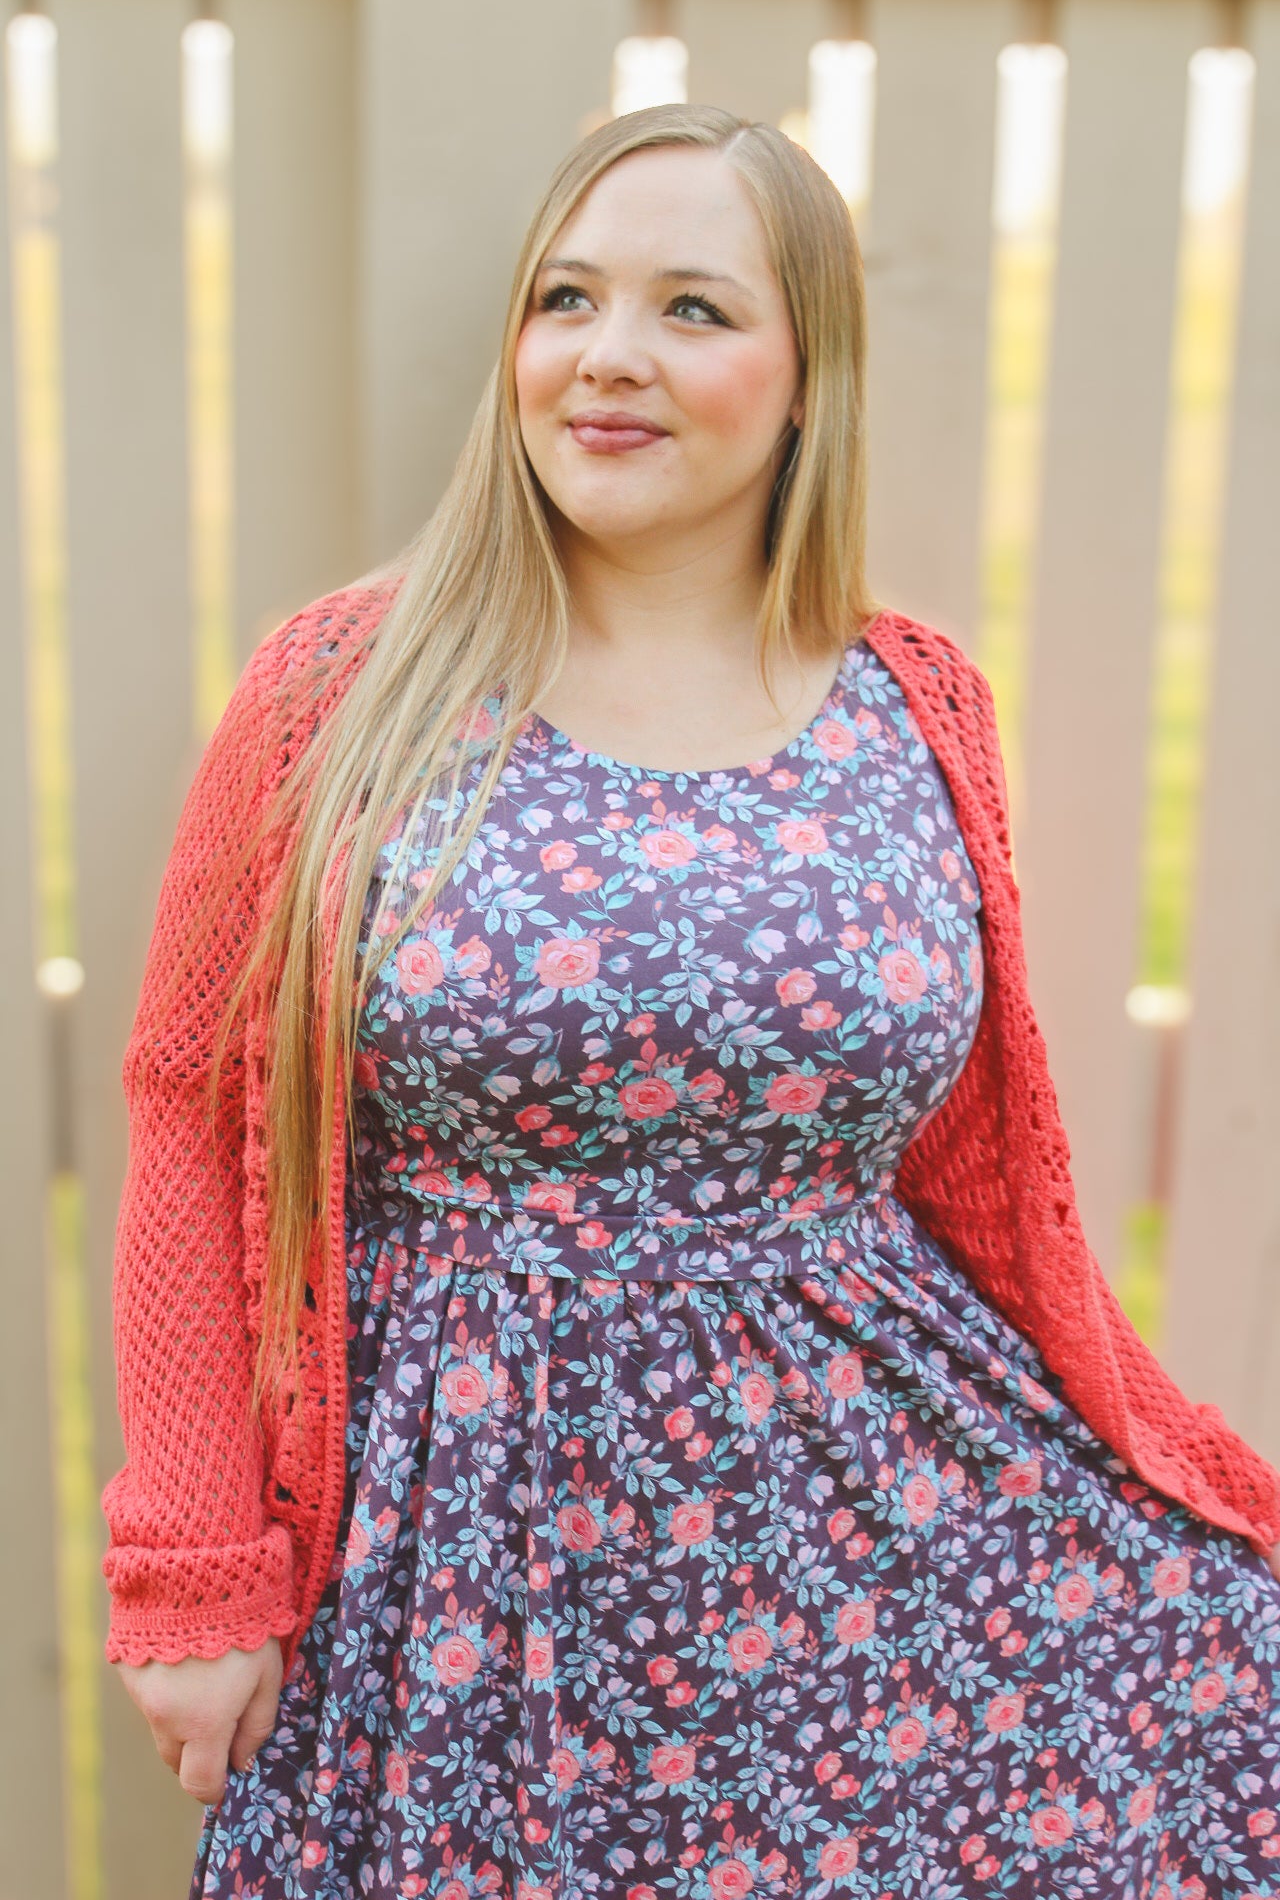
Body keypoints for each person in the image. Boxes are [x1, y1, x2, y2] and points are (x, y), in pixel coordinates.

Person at [104, 103, 1280, 1900]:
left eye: (694, 309)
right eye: (566, 297)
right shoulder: (343, 687)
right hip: (457, 1560)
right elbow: (192, 1118)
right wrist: (191, 1565)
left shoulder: (916, 704)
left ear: (810, 375)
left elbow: (979, 1176)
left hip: (854, 1556)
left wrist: (1155, 1470)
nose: (608, 358)